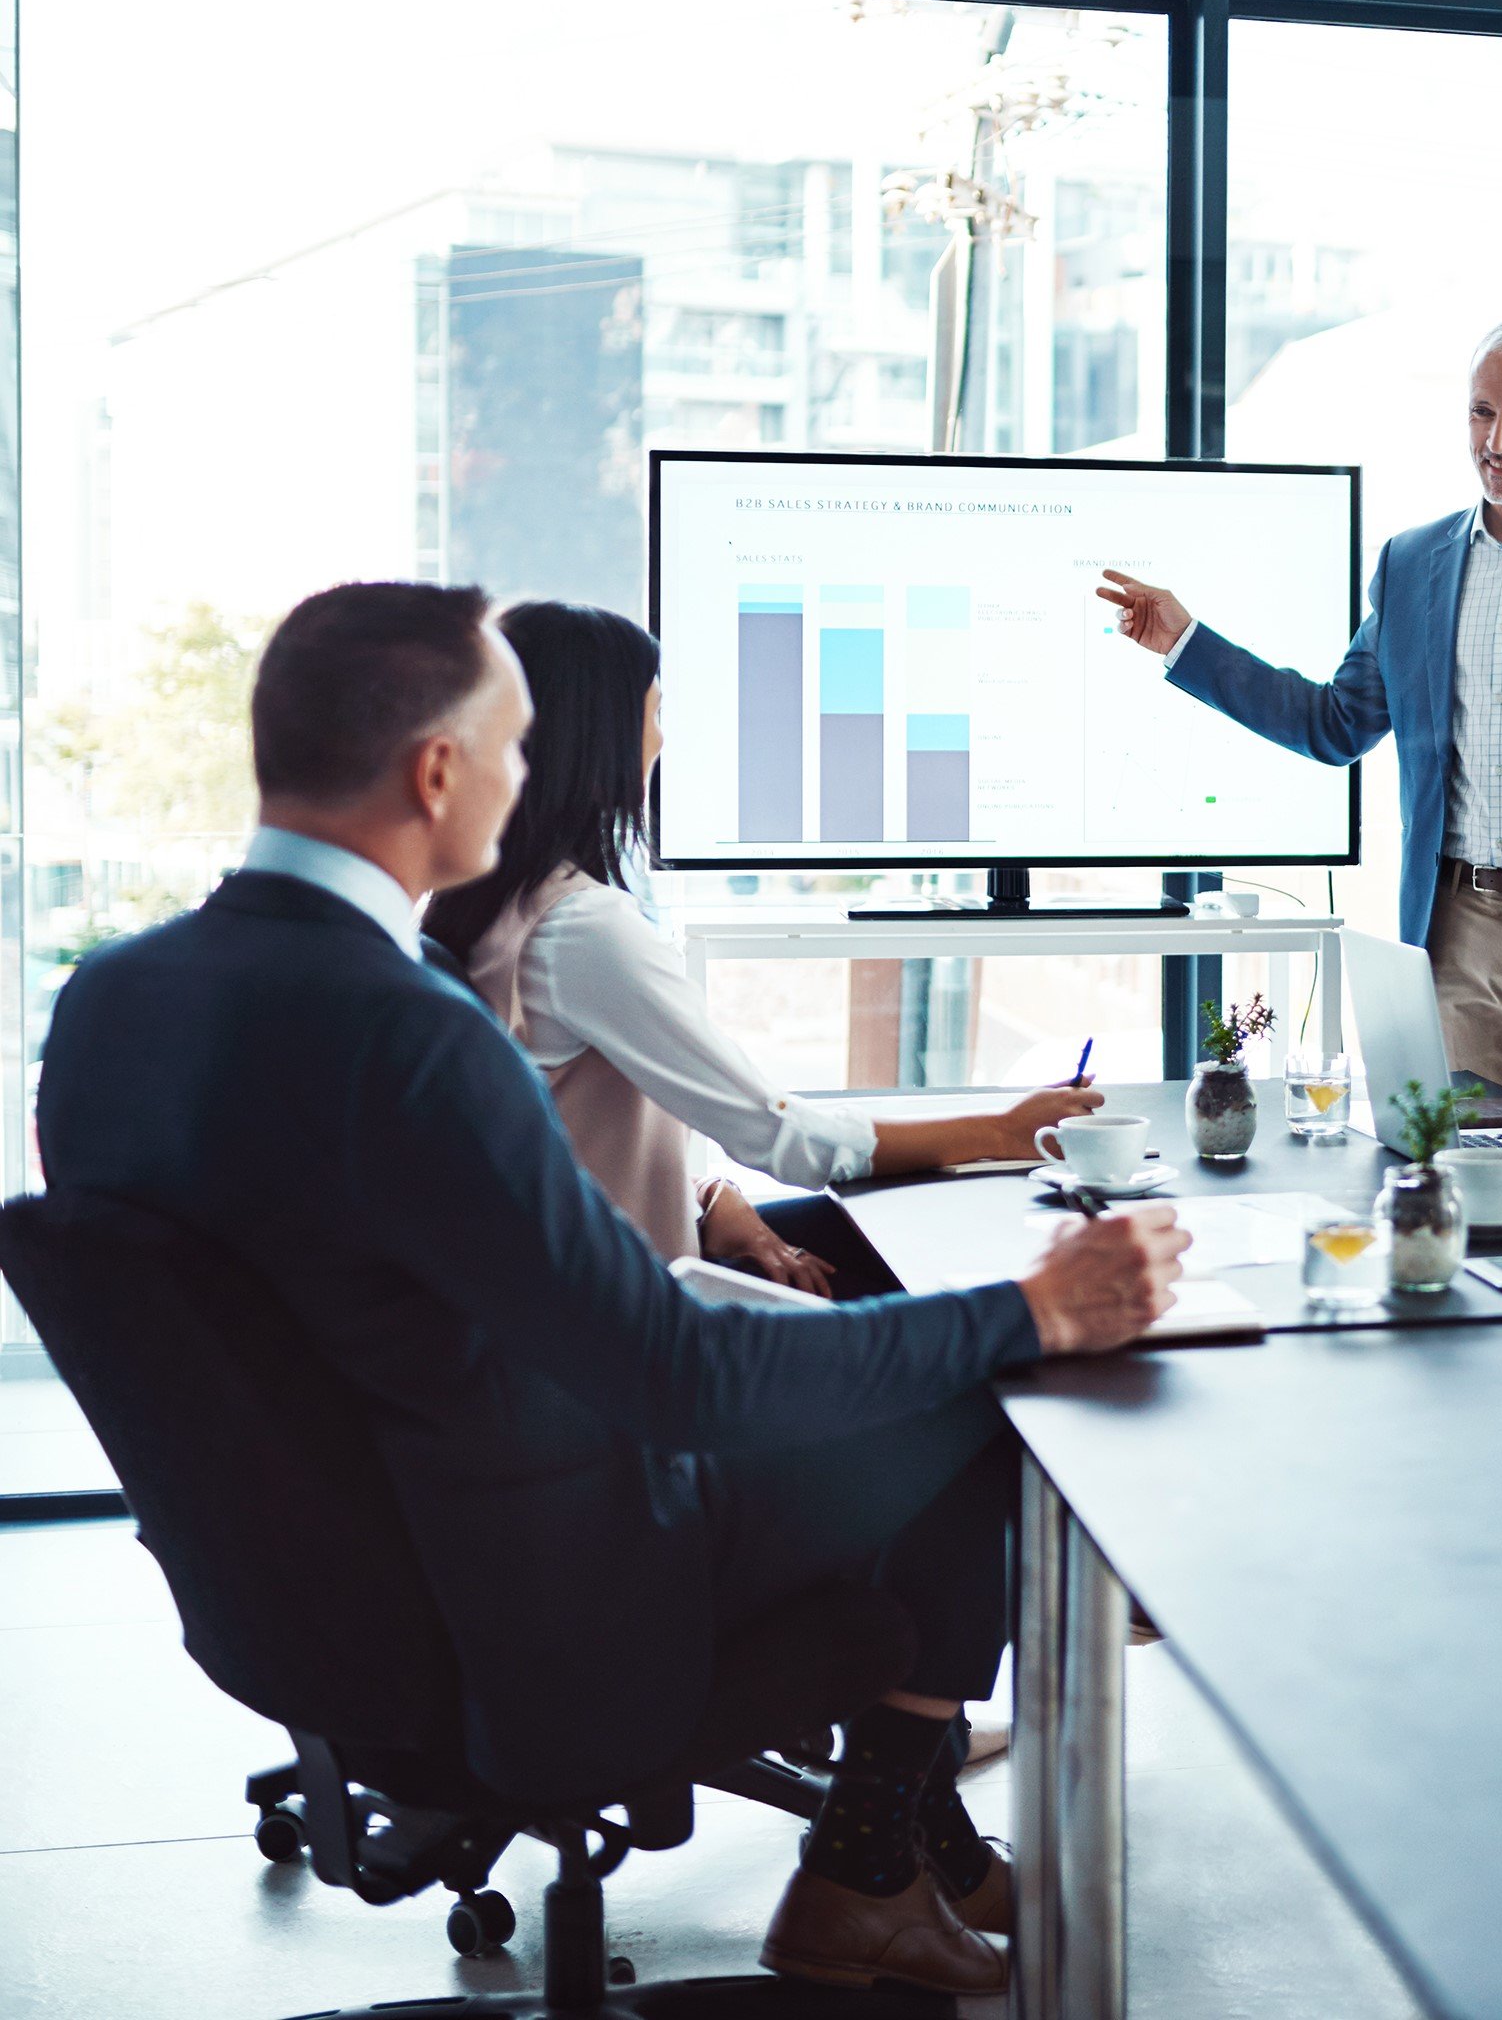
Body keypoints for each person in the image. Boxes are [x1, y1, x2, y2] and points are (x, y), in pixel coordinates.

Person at [34, 582, 1190, 1994]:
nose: (530, 783)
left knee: (881, 1367)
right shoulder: (412, 1036)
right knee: (980, 1405)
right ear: (439, 770)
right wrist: (1031, 1310)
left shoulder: (107, 1005)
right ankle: (866, 1872)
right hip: (546, 1602)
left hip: (312, 1600)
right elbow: (674, 1377)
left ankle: (902, 1843)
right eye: (513, 751)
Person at [1099, 315, 1502, 1145]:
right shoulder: (1412, 561)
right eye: (1481, 412)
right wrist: (1187, 642)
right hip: (1455, 930)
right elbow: (1334, 724)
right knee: (1461, 1182)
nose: (1497, 440)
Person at [424, 599, 1100, 1294]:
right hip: (633, 1316)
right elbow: (785, 1139)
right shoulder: (583, 932)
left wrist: (710, 1196)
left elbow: (562, 1140)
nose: (663, 741)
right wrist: (1004, 1131)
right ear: (601, 738)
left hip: (566, 1283)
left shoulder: (484, 906)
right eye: (655, 716)